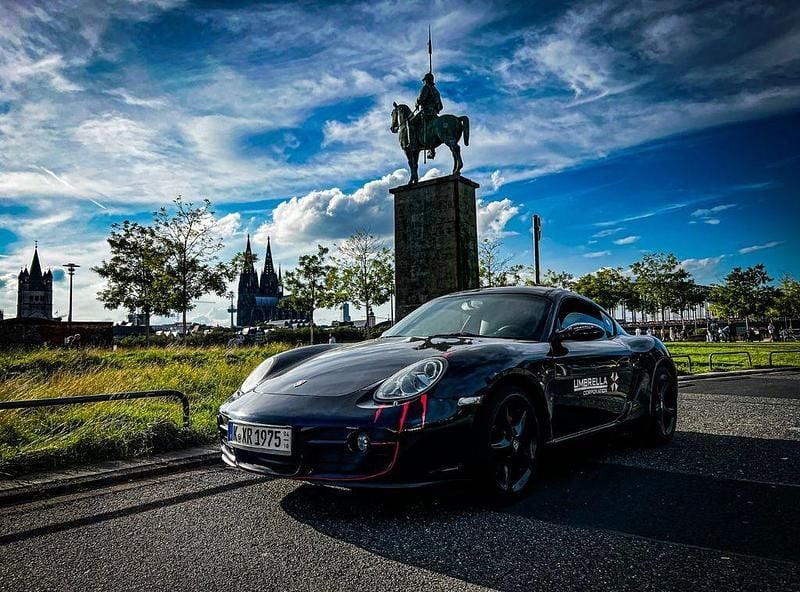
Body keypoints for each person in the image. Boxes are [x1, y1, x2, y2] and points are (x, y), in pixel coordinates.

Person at [413, 72, 443, 159]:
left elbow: (421, 99)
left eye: (424, 81)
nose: (424, 82)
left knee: (412, 123)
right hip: (434, 113)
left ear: (426, 80)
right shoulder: (436, 90)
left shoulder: (426, 88)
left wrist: (417, 102)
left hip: (426, 112)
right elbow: (440, 106)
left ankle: (413, 143)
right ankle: (431, 148)